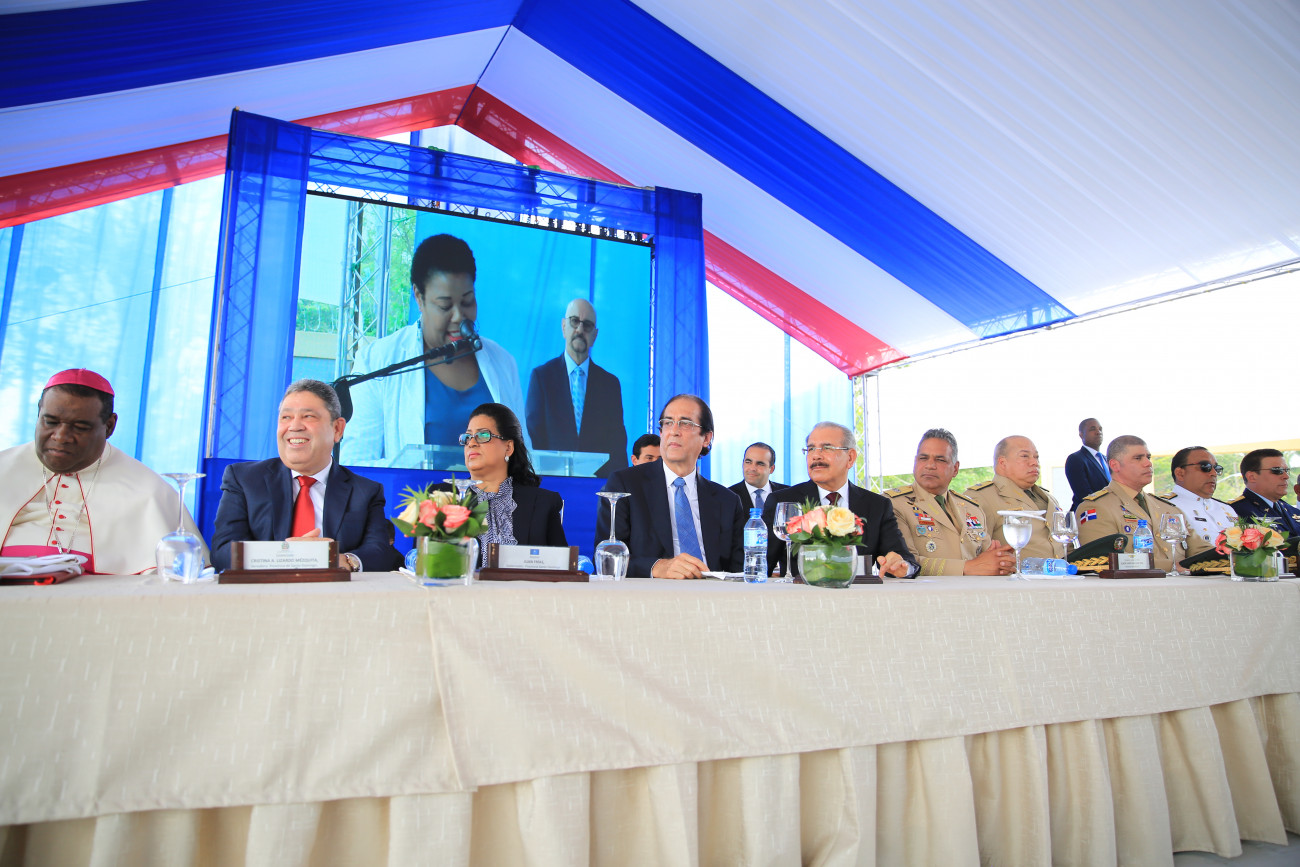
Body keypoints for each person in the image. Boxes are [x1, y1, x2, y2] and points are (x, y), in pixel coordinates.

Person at [340, 234, 527, 464]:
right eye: (445, 305)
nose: (459, 317)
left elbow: (524, 456)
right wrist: (424, 476)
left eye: (467, 301)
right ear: (419, 297)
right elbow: (356, 464)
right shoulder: (377, 361)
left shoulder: (503, 362)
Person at [0, 369, 206, 574]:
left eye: (80, 427)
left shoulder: (149, 490)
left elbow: (174, 573)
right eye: (51, 422)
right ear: (38, 413)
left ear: (109, 426)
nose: (61, 436)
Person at [211, 380, 402, 572]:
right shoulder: (244, 480)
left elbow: (380, 553)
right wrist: (288, 556)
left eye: (308, 416)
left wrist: (343, 560)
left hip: (337, 590)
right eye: (286, 417)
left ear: (337, 429)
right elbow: (223, 552)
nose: (294, 426)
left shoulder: (366, 491)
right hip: (264, 589)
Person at [595, 394, 745, 578]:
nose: (674, 431)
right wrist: (657, 567)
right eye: (667, 423)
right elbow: (607, 559)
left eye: (685, 423)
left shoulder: (727, 501)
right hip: (652, 592)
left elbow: (739, 571)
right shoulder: (625, 484)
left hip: (714, 591)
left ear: (706, 438)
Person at [762, 422, 917, 578]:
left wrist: (901, 566)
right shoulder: (783, 501)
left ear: (850, 457)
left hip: (859, 592)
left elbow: (905, 560)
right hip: (802, 592)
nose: (816, 455)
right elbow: (762, 564)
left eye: (826, 448)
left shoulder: (877, 505)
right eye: (811, 449)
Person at [448, 402, 566, 565]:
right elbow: (419, 563)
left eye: (483, 435)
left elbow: (562, 567)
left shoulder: (542, 503)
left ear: (508, 447)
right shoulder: (441, 499)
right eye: (467, 437)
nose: (471, 443)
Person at [886, 429, 1014, 576]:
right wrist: (966, 567)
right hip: (926, 590)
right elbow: (905, 563)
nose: (930, 465)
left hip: (975, 589)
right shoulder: (893, 504)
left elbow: (985, 561)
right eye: (923, 458)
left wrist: (999, 562)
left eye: (940, 460)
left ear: (955, 468)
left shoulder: (972, 508)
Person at [1075, 435, 1211, 572]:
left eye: (1148, 457)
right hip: (1135, 585)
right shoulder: (1096, 507)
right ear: (1115, 465)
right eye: (1138, 458)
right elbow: (1107, 560)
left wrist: (1223, 553)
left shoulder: (1168, 508)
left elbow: (1200, 550)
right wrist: (1171, 566)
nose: (1148, 463)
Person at [525, 298, 627, 477]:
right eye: (574, 321)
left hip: (597, 486)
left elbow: (617, 445)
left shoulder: (610, 385)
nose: (580, 330)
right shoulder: (542, 377)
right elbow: (533, 437)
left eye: (587, 325)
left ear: (594, 335)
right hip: (551, 481)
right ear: (564, 327)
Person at [964, 436, 1066, 560]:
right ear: (1003, 463)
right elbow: (971, 552)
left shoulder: (1048, 497)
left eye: (1036, 457)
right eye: (1024, 456)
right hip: (1015, 571)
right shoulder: (982, 497)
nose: (1034, 462)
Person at [1158, 447, 1237, 546]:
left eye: (1216, 468)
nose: (1214, 473)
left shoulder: (1226, 508)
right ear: (1180, 473)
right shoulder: (1163, 507)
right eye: (1205, 467)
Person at [1230, 448, 1300, 537]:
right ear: (1252, 477)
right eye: (1277, 470)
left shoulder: (1291, 510)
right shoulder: (1234, 511)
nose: (1286, 476)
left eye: (1286, 471)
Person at [728, 441, 788, 513]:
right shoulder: (728, 495)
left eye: (760, 464)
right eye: (748, 462)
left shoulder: (788, 493)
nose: (752, 468)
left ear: (771, 469)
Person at [1064, 417, 1109, 512]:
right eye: (1092, 429)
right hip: (1089, 515)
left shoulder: (1108, 460)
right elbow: (1083, 494)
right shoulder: (1075, 459)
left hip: (1113, 514)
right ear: (1081, 434)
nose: (1098, 432)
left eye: (1100, 429)